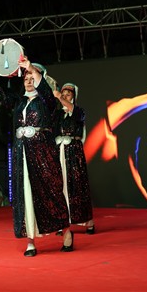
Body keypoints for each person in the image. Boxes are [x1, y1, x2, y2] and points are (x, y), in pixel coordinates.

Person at [0, 56, 72, 256]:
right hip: (21, 153)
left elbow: (47, 93)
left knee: (50, 191)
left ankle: (66, 230)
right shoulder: (19, 101)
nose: (29, 80)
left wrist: (31, 67)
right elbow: (1, 97)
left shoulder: (47, 101)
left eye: (32, 76)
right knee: (24, 194)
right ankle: (30, 241)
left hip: (43, 152)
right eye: (26, 77)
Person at [53, 83, 95, 235]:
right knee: (59, 186)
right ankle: (62, 223)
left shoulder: (79, 112)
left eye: (68, 95)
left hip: (74, 152)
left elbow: (75, 113)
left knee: (78, 185)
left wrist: (59, 97)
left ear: (74, 97)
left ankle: (88, 222)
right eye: (63, 94)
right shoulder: (57, 114)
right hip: (59, 151)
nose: (64, 97)